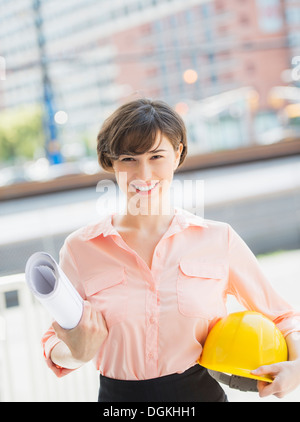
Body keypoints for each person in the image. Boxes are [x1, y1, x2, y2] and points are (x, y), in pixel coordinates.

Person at [42, 98, 300, 402]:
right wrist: (75, 352)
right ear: (110, 162)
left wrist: (296, 366)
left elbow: (283, 316)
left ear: (177, 154)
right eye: (128, 159)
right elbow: (53, 340)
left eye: (156, 156)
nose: (144, 174)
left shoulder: (218, 240)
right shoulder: (80, 249)